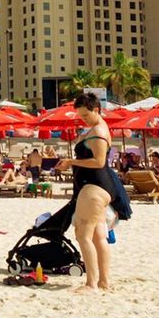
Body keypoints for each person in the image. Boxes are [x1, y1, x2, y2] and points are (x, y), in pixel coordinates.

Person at [55, 93, 116, 293]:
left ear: (96, 110)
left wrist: (72, 162)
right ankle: (103, 282)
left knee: (83, 234)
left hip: (94, 186)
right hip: (97, 186)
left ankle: (91, 284)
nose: (84, 119)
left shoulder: (98, 131)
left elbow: (99, 162)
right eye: (81, 116)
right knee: (98, 236)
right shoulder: (97, 128)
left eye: (86, 115)